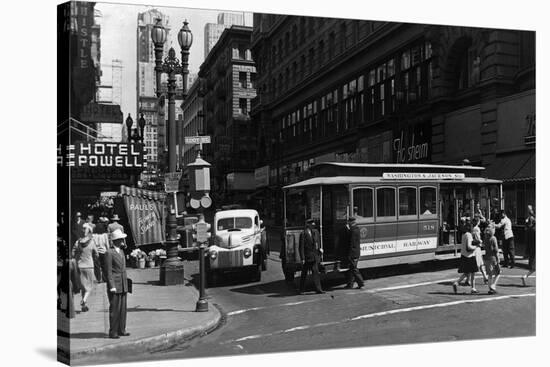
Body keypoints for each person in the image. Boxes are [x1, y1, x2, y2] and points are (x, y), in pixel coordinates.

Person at [104, 229, 130, 339]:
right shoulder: (109, 253)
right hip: (115, 284)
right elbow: (108, 271)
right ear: (115, 240)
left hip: (123, 283)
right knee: (114, 309)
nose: (122, 241)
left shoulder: (122, 251)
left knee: (123, 309)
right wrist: (112, 286)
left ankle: (121, 329)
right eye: (120, 239)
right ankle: (113, 331)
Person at [74, 229, 99, 312]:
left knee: (83, 287)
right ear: (88, 234)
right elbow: (96, 253)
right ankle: (84, 300)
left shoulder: (77, 242)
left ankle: (84, 306)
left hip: (80, 266)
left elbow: (73, 253)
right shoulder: (92, 242)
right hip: (89, 266)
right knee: (89, 287)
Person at [452, 221, 479, 294]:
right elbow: (469, 247)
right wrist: (476, 246)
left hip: (464, 255)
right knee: (472, 272)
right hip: (470, 256)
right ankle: (473, 288)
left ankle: (457, 282)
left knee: (466, 272)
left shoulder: (463, 235)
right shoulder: (469, 235)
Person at [298, 219, 324, 294]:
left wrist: (319, 249)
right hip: (307, 257)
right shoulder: (303, 234)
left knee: (315, 273)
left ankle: (319, 289)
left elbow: (316, 243)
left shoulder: (314, 232)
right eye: (312, 223)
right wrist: (302, 258)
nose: (313, 224)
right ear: (308, 225)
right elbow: (301, 247)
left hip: (314, 256)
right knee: (304, 274)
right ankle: (301, 289)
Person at [344, 217, 365, 289]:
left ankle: (361, 283)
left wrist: (349, 254)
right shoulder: (356, 228)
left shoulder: (353, 230)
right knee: (351, 269)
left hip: (353, 253)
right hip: (356, 252)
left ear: (351, 222)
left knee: (354, 269)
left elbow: (352, 243)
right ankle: (350, 284)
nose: (348, 223)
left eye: (349, 222)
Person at [483, 224, 501, 294]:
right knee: (498, 272)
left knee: (490, 274)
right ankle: (493, 286)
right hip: (493, 258)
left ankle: (490, 289)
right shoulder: (493, 238)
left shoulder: (486, 238)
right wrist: (498, 258)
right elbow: (496, 250)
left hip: (487, 257)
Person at [522, 205, 536, 286]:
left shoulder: (529, 230)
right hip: (534, 250)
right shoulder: (534, 230)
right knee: (534, 267)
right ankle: (525, 276)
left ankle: (525, 276)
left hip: (531, 250)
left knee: (534, 268)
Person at [471, 218, 488, 284]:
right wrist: (482, 243)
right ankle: (469, 279)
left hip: (477, 247)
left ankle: (485, 277)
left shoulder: (475, 228)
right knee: (477, 264)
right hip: (477, 247)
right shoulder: (476, 229)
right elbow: (478, 238)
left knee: (481, 263)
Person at [93, 216, 110, 283]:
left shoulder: (94, 236)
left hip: (96, 252)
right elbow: (107, 244)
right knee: (104, 266)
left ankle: (98, 278)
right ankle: (104, 278)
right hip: (104, 251)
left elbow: (93, 245)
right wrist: (108, 251)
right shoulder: (105, 235)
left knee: (97, 266)